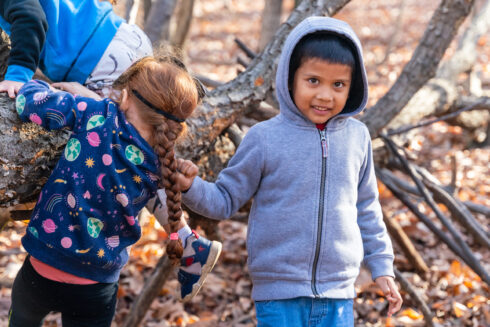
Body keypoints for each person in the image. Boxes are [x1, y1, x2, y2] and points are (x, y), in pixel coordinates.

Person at [166, 16, 403, 326]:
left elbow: (367, 208)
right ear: (290, 78)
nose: (325, 95)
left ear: (352, 86)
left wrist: (382, 266)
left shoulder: (357, 138)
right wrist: (190, 187)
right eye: (313, 80)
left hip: (339, 292)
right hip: (278, 294)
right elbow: (224, 199)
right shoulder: (265, 139)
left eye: (338, 85)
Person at [8, 56, 221, 327]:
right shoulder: (160, 163)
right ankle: (191, 242)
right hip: (96, 285)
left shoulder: (96, 113)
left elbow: (30, 104)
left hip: (44, 264)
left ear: (127, 97)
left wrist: (32, 85)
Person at [0, 0, 152, 98]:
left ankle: (88, 96)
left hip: (99, 58)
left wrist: (17, 77)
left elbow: (30, 18)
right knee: (154, 104)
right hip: (123, 33)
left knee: (118, 123)